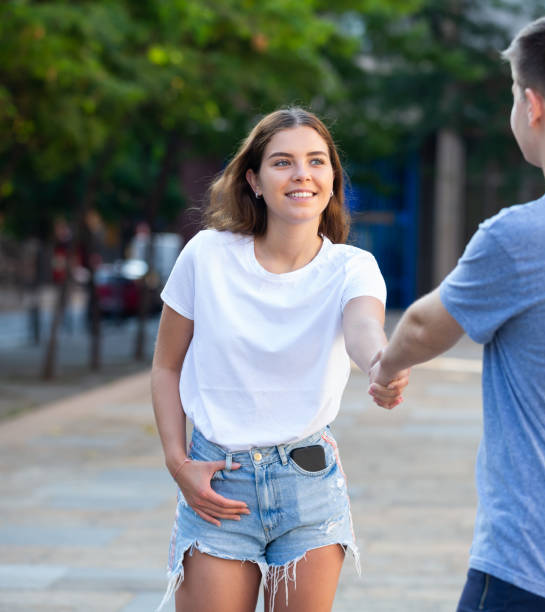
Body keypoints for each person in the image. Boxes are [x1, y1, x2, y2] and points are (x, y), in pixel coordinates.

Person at [369, 5, 545, 611]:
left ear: (533, 106)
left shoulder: (522, 237)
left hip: (539, 563)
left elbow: (422, 324)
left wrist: (386, 369)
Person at [152, 107, 409, 612]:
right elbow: (166, 365)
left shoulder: (352, 268)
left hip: (307, 483)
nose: (301, 175)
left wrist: (383, 365)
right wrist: (177, 461)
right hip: (218, 480)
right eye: (282, 162)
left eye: (316, 161)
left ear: (332, 179)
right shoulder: (207, 255)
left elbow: (364, 331)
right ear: (253, 179)